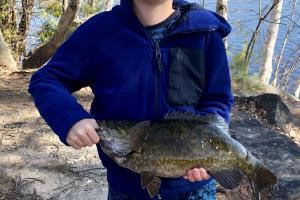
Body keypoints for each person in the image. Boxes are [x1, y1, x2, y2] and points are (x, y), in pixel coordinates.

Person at [29, 0, 233, 199]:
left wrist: (210, 149)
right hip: (126, 188)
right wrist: (70, 119)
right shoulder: (99, 33)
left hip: (194, 189)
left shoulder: (205, 34)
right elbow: (47, 80)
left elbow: (217, 100)